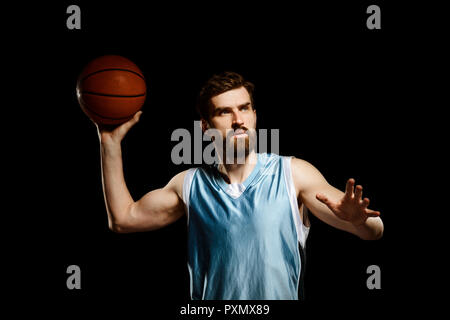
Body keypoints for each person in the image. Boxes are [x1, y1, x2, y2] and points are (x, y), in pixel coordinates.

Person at [96, 71, 384, 300]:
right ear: (205, 127)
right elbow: (123, 220)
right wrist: (109, 142)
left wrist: (359, 221)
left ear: (255, 115)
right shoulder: (188, 185)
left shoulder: (293, 173)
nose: (238, 121)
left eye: (244, 108)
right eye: (224, 112)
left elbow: (373, 231)